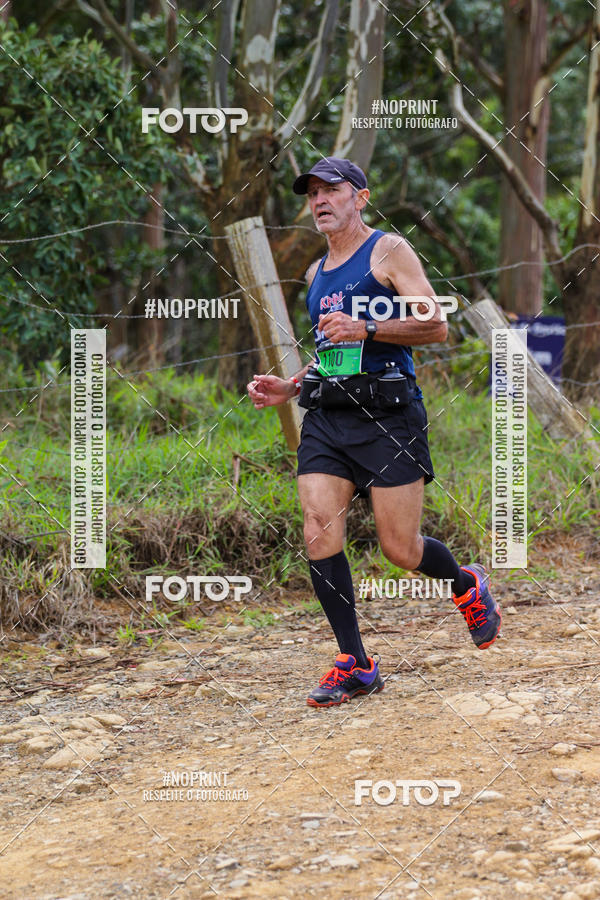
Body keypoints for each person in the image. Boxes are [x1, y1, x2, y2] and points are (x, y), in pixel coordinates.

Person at [247, 156, 501, 708]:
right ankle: (356, 663)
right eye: (312, 192)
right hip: (328, 418)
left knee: (400, 550)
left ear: (360, 197)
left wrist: (369, 325)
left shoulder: (388, 251)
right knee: (319, 530)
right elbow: (331, 353)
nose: (319, 200)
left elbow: (436, 324)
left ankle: (465, 584)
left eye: (331, 190)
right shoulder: (316, 275)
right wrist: (291, 387)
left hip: (389, 417)